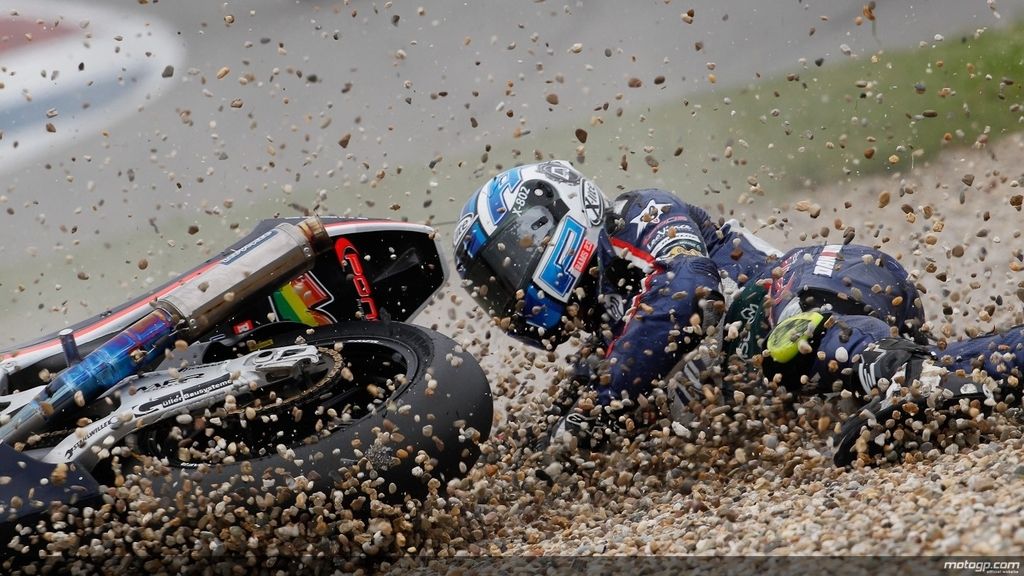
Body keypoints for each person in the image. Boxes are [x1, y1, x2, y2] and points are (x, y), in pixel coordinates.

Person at [453, 160, 1022, 465]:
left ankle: (907, 376)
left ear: (547, 222)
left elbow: (689, 296)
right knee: (980, 374)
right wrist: (544, 447)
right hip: (807, 367)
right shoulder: (602, 344)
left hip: (832, 277)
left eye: (503, 271)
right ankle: (966, 376)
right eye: (489, 289)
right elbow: (571, 420)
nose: (503, 298)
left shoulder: (638, 214)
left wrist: (600, 403)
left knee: (783, 321)